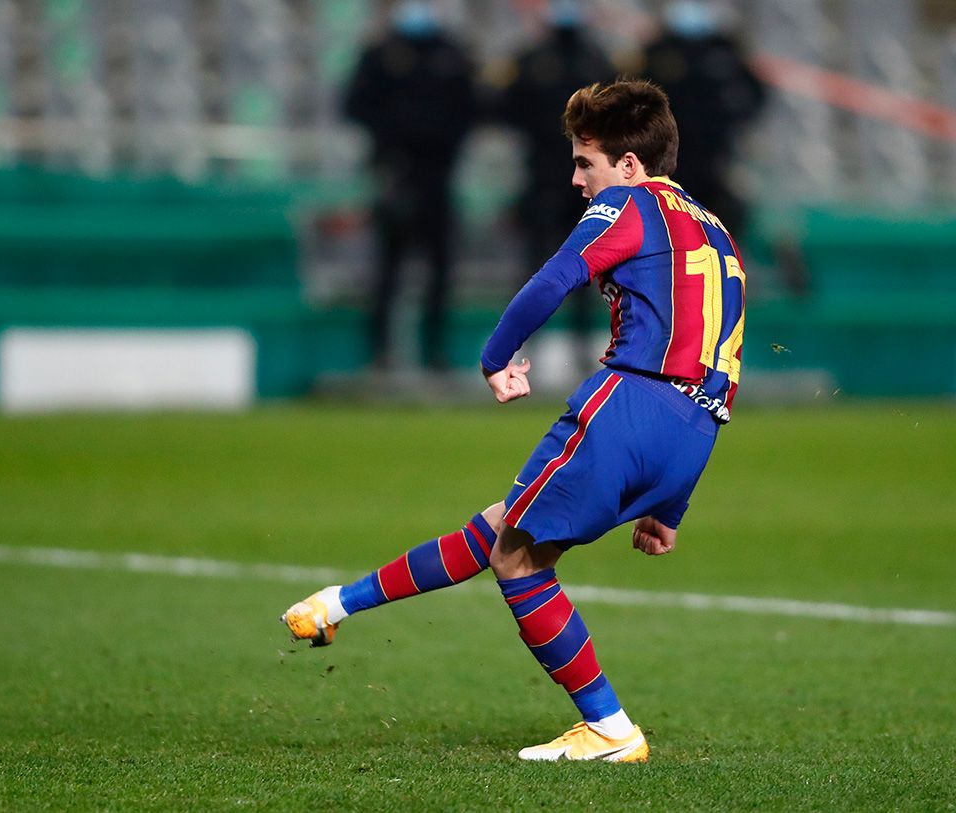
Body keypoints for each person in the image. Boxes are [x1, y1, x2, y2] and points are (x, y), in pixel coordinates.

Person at [282, 79, 746, 762]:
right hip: (696, 425)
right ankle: (335, 605)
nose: (575, 177)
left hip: (631, 401)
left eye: (585, 162)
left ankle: (610, 728)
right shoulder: (714, 226)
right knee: (505, 526)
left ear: (626, 164)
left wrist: (496, 356)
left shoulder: (629, 202)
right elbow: (718, 354)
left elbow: (555, 277)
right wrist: (672, 502)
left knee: (515, 558)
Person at [342, 0, 476, 371]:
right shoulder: (380, 54)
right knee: (387, 271)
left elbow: (471, 109)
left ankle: (435, 353)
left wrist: (442, 140)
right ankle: (380, 354)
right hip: (394, 175)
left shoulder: (452, 55)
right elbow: (354, 104)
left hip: (437, 176)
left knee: (440, 273)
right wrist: (393, 138)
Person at [487, 0, 615, 378]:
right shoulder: (532, 60)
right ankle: (524, 346)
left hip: (588, 183)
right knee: (537, 267)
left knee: (590, 268)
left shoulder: (599, 61)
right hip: (542, 177)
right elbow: (502, 108)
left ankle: (584, 347)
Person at [639, 0, 764, 238]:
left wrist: (732, 120)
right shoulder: (658, 52)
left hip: (713, 158)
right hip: (667, 162)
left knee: (720, 219)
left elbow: (753, 94)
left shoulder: (725, 51)